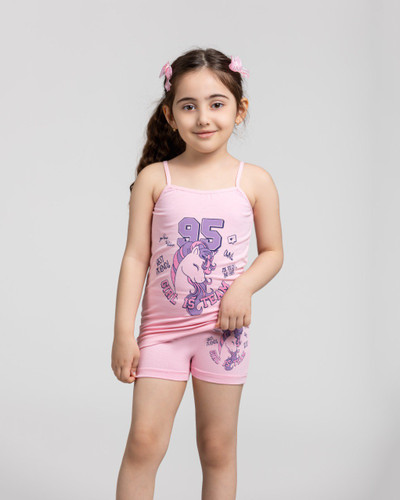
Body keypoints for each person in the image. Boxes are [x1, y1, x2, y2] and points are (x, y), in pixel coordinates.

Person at [112, 47, 284, 500]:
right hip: (162, 334)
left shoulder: (254, 181)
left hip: (223, 336)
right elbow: (135, 258)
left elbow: (273, 252)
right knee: (144, 443)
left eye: (216, 103)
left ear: (239, 110)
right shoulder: (155, 179)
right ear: (170, 116)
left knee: (216, 448)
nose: (204, 117)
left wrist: (243, 288)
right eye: (189, 106)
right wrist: (123, 333)